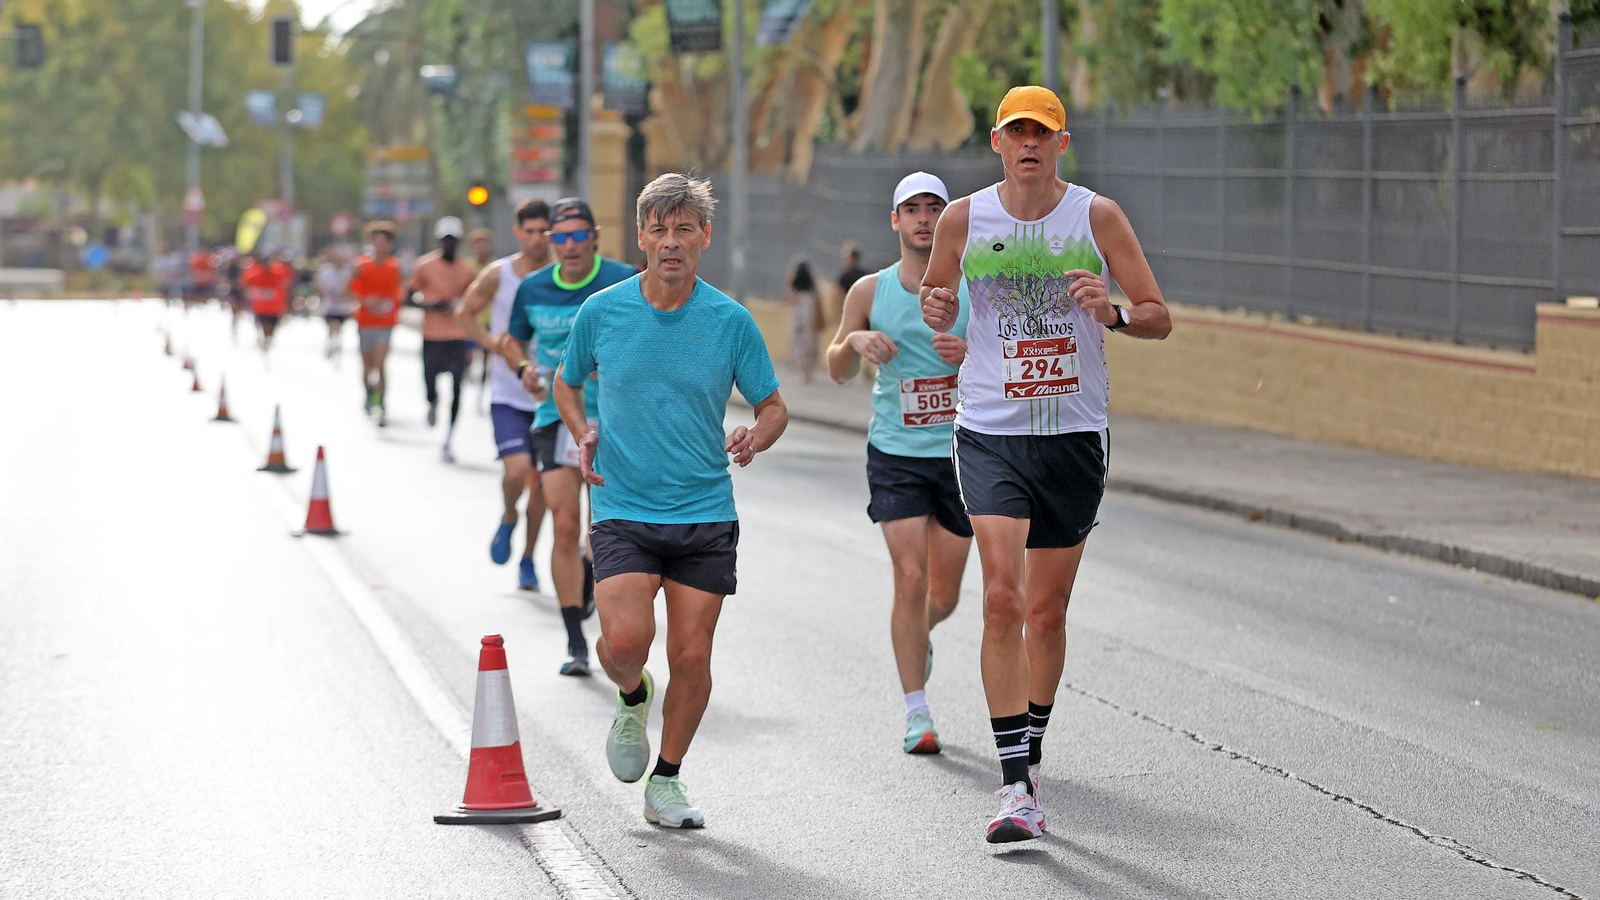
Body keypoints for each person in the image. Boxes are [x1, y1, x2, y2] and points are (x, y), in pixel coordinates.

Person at [920, 85, 1172, 844]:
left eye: (1044, 133)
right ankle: (1014, 787)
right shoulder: (965, 218)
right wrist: (939, 313)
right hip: (991, 427)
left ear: (1062, 144)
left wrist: (1115, 313)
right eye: (1017, 132)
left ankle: (1031, 737)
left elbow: (1159, 315)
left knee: (1045, 611)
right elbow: (938, 295)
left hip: (1072, 433)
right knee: (1000, 597)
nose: (1030, 143)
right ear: (997, 141)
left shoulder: (1096, 217)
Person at [553, 173, 787, 829]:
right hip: (623, 504)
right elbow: (565, 383)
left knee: (692, 657)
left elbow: (773, 405)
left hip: (705, 511)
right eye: (658, 228)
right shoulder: (602, 311)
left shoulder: (729, 321)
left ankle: (668, 780)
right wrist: (582, 429)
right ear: (641, 237)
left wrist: (755, 437)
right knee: (623, 644)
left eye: (684, 228)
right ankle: (632, 695)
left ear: (704, 236)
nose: (671, 241)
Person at [826, 171, 971, 756]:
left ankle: (917, 637)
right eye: (911, 208)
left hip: (964, 453)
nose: (922, 218)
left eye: (933, 207)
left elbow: (1006, 362)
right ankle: (918, 713)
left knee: (944, 597)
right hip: (897, 452)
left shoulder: (972, 289)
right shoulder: (869, 292)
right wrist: (855, 345)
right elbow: (835, 368)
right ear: (895, 221)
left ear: (946, 218)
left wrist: (971, 353)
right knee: (909, 579)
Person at [497, 198, 635, 675]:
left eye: (579, 236)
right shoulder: (532, 287)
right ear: (550, 242)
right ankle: (575, 638)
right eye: (561, 237)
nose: (570, 246)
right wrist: (524, 369)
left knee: (603, 530)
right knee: (564, 523)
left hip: (613, 420)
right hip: (555, 417)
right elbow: (511, 339)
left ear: (595, 237)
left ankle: (590, 570)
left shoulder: (621, 279)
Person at [457, 200, 554, 592]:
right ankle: (509, 516)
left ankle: (528, 558)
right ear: (518, 233)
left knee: (542, 485)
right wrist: (489, 343)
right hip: (507, 394)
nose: (536, 239)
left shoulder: (562, 275)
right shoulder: (499, 274)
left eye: (543, 231)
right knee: (516, 472)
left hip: (551, 398)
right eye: (528, 231)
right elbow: (466, 312)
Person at [408, 217, 479, 462]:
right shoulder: (424, 265)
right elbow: (410, 296)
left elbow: (473, 299)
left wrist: (459, 306)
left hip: (457, 335)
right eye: (445, 239)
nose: (449, 244)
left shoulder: (466, 270)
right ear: (440, 241)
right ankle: (432, 401)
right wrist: (429, 304)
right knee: (429, 380)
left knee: (458, 387)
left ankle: (449, 436)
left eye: (453, 240)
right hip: (432, 334)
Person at [350, 221, 404, 427]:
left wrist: (394, 301)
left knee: (381, 364)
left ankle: (381, 404)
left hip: (385, 322)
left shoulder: (394, 267)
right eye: (376, 241)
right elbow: (349, 289)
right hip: (365, 321)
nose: (380, 245)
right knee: (367, 366)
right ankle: (368, 393)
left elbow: (400, 290)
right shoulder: (361, 265)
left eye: (384, 241)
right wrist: (365, 301)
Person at [241, 250, 286, 352]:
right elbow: (245, 284)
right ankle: (264, 342)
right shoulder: (254, 274)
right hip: (261, 308)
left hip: (274, 308)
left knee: (270, 330)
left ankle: (266, 342)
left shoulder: (277, 273)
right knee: (263, 327)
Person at [785, 261, 822, 383]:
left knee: (797, 341)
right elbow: (817, 298)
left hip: (797, 315)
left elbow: (788, 297)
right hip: (809, 314)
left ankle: (801, 367)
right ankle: (809, 370)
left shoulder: (794, 284)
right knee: (809, 342)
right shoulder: (811, 285)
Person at [315, 248, 354, 362]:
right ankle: (331, 342)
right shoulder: (325, 271)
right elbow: (319, 285)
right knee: (331, 325)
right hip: (329, 304)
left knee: (339, 326)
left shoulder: (348, 271)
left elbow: (350, 286)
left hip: (342, 305)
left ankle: (337, 342)